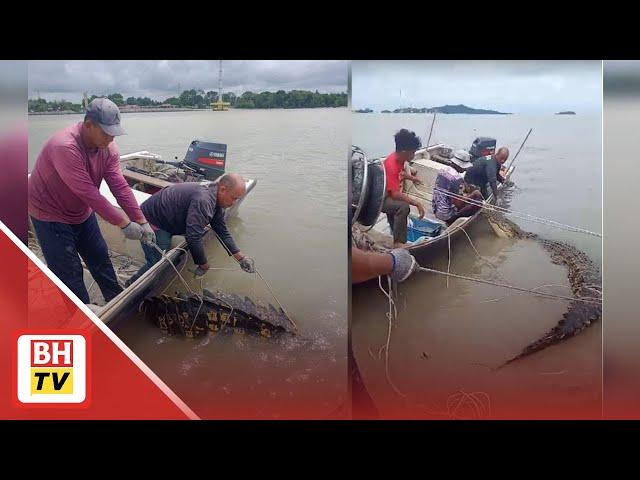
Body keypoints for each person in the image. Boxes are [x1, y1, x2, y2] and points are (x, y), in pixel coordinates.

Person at [28, 98, 155, 304]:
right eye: (106, 133)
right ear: (88, 125)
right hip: (49, 214)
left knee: (100, 259)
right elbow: (87, 192)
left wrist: (141, 221)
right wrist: (123, 223)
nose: (111, 139)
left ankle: (117, 303)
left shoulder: (108, 149)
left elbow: (120, 187)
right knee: (69, 273)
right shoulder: (65, 145)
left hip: (81, 212)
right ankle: (82, 313)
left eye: (114, 133)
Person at [125, 173, 255, 286]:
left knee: (171, 246)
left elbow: (221, 230)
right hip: (152, 220)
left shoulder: (215, 197)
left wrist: (241, 258)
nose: (234, 203)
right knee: (156, 263)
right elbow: (192, 237)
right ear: (222, 189)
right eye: (234, 198)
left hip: (169, 217)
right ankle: (132, 283)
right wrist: (203, 264)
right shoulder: (204, 200)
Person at [382, 129, 426, 248]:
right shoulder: (391, 164)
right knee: (402, 207)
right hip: (380, 200)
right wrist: (416, 203)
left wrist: (412, 178)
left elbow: (400, 173)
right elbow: (395, 194)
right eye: (412, 152)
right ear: (404, 151)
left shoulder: (399, 159)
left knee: (397, 207)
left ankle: (395, 235)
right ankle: (398, 243)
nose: (414, 155)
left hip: (387, 193)